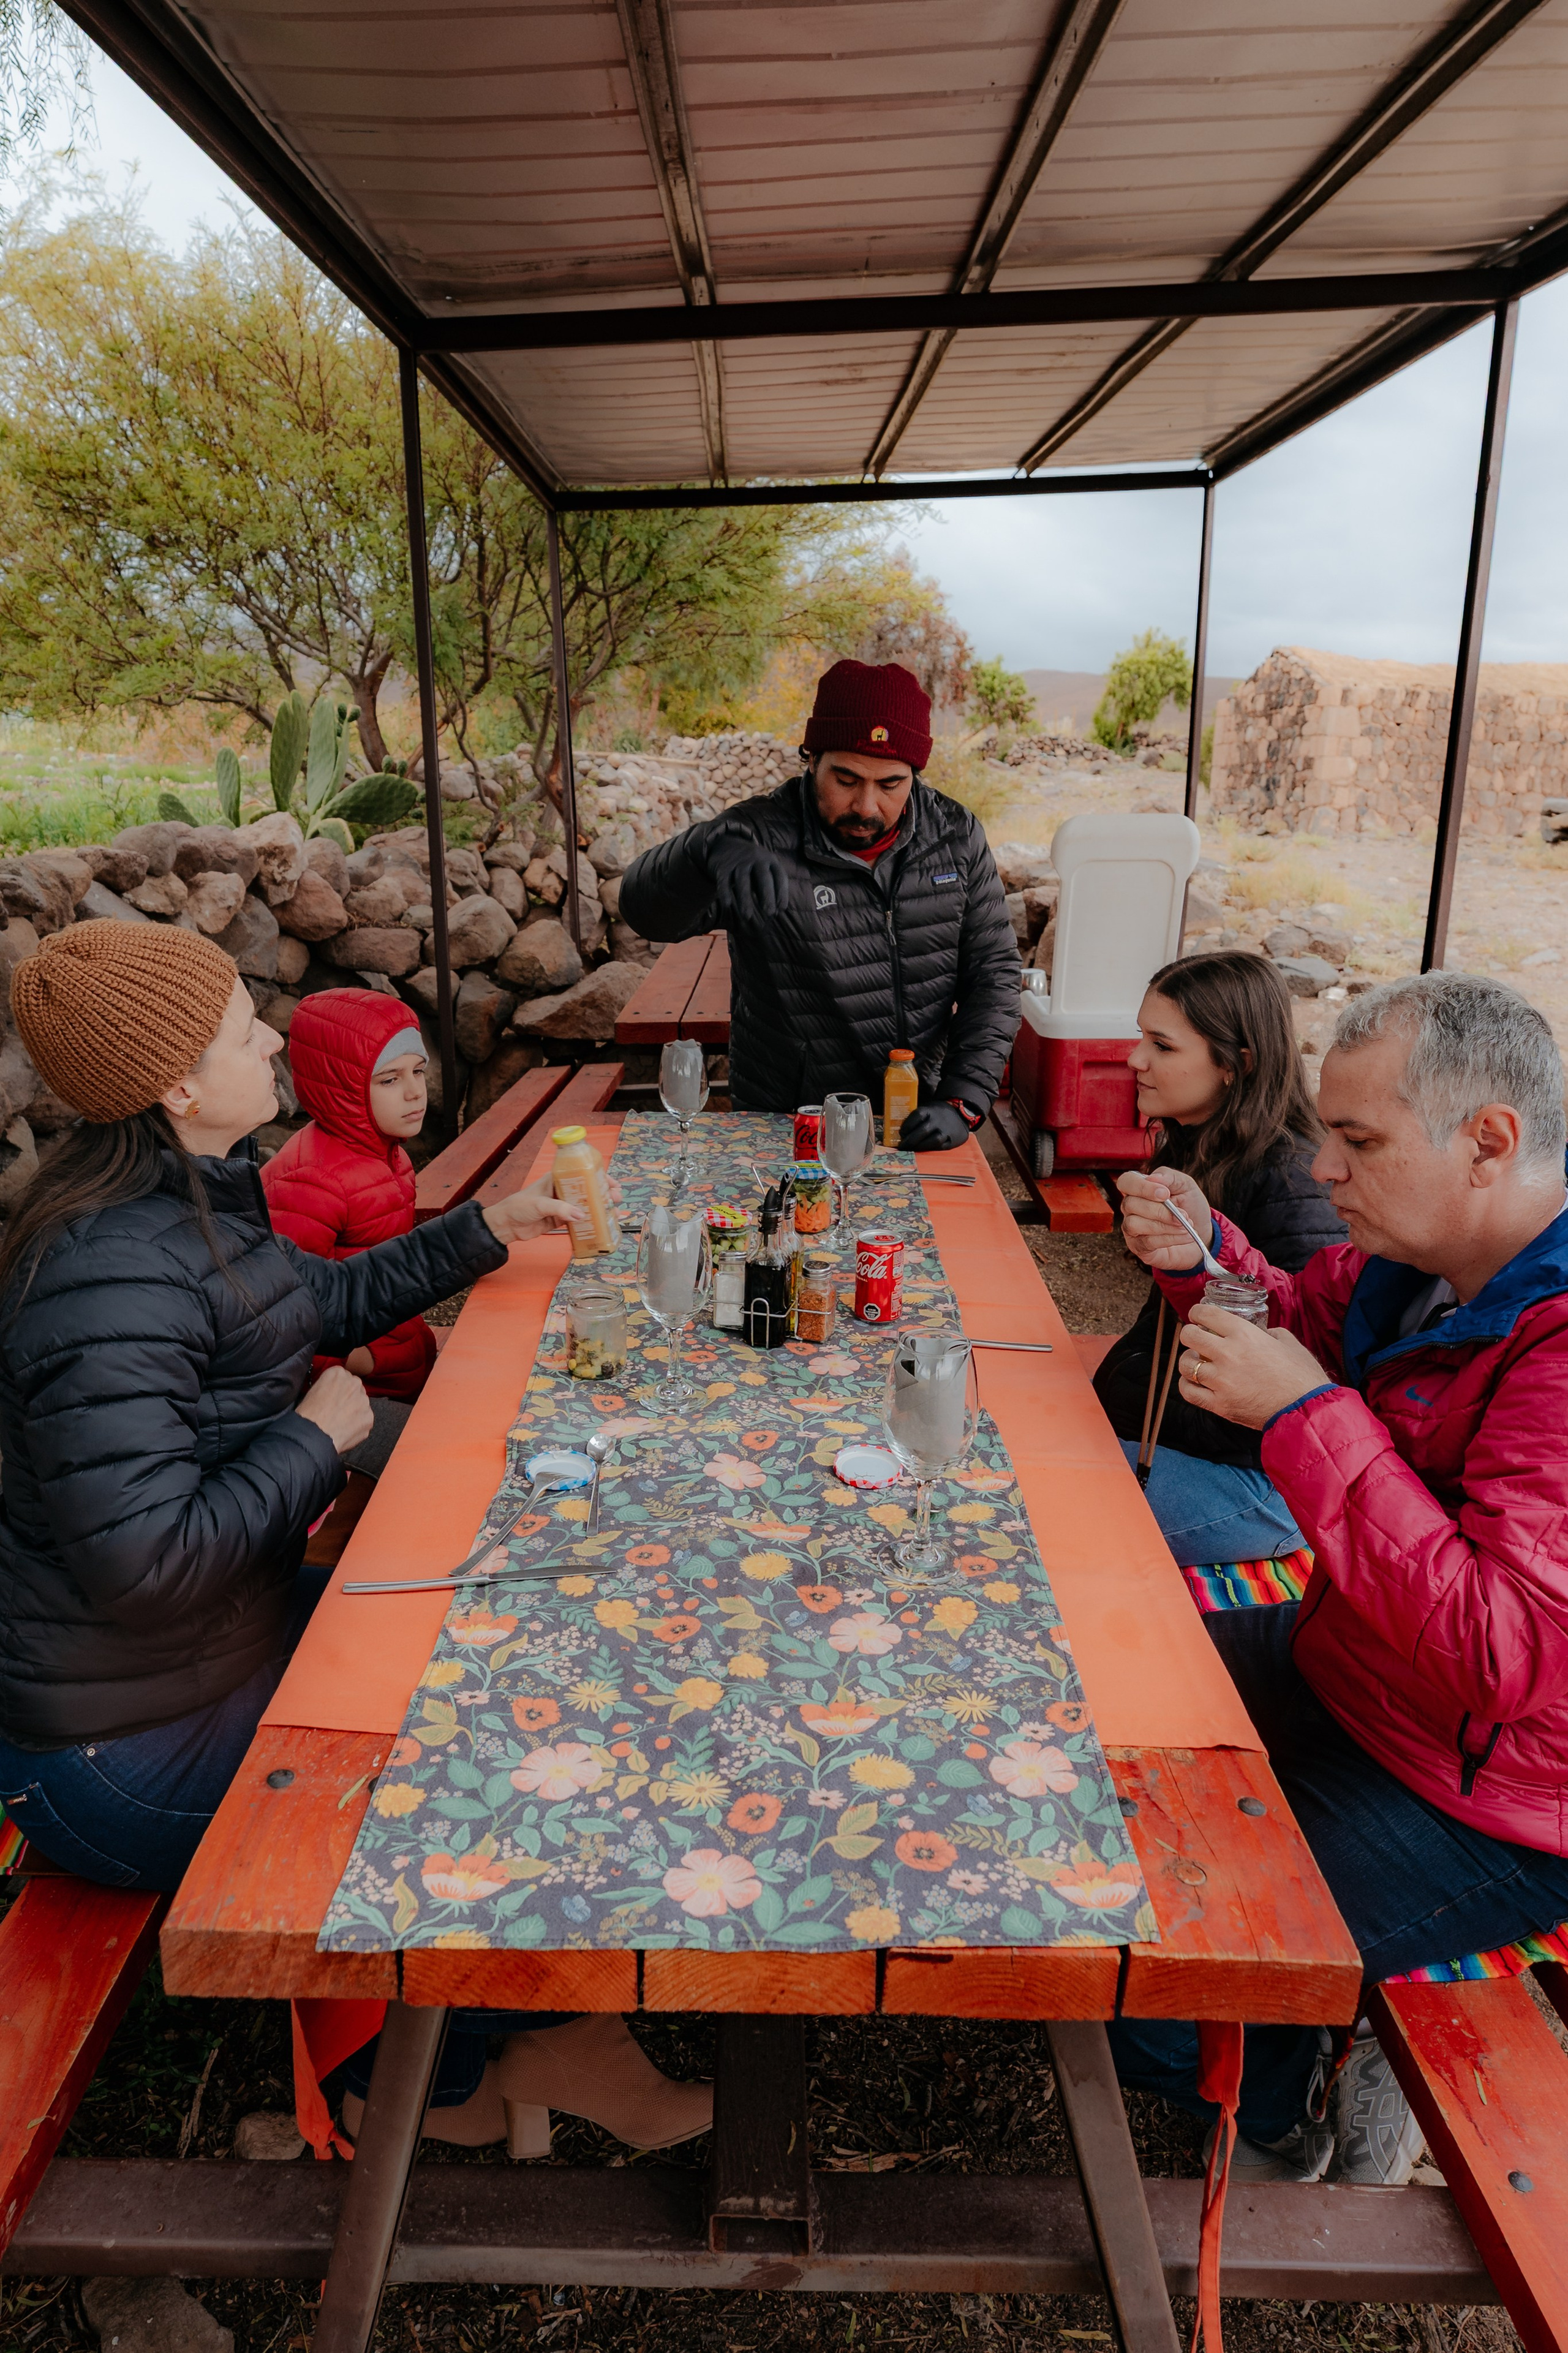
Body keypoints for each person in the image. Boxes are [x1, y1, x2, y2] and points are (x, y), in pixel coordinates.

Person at [0, 921, 707, 2151]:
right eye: (238, 1030)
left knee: (503, 1649)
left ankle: (505, 2043)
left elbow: (308, 1300)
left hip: (202, 1660)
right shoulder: (104, 1276)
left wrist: (488, 1226)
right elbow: (142, 1561)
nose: (268, 1036)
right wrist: (314, 1438)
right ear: (175, 1084)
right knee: (472, 1764)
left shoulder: (184, 1200)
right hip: (115, 1748)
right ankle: (444, 2076)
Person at [1109, 971, 1568, 2188]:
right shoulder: (1411, 1265)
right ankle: (1297, 2015)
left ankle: (1285, 2109)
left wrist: (1307, 1419)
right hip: (1352, 1665)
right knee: (1099, 1703)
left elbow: (1499, 1657)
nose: (1322, 1171)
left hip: (1487, 1797)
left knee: (1152, 1960)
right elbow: (1294, 1320)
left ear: (1487, 1142)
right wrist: (1201, 1260)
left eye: (1356, 1141)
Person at [617, 658, 1019, 1147]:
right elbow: (642, 912)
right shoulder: (754, 839)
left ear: (914, 773)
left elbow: (994, 973)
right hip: (789, 1126)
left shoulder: (955, 836)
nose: (867, 806)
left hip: (915, 1118)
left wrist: (964, 1097)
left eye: (891, 784)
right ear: (812, 760)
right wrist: (702, 854)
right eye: (846, 780)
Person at [1093, 951, 1344, 1564]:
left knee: (1045, 1500)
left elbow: (1305, 1362)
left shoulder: (1296, 1182)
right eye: (1139, 1037)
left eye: (1163, 1045)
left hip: (1261, 1482)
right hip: (1181, 1437)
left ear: (1237, 1064)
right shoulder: (1194, 1142)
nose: (1135, 1059)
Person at [262, 992, 437, 1517]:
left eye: (419, 1072)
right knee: (442, 1466)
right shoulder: (313, 1179)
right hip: (357, 1393)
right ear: (341, 1087)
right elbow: (283, 1312)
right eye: (389, 1080)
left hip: (400, 1364)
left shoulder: (385, 1152)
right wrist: (357, 1360)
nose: (414, 1093)